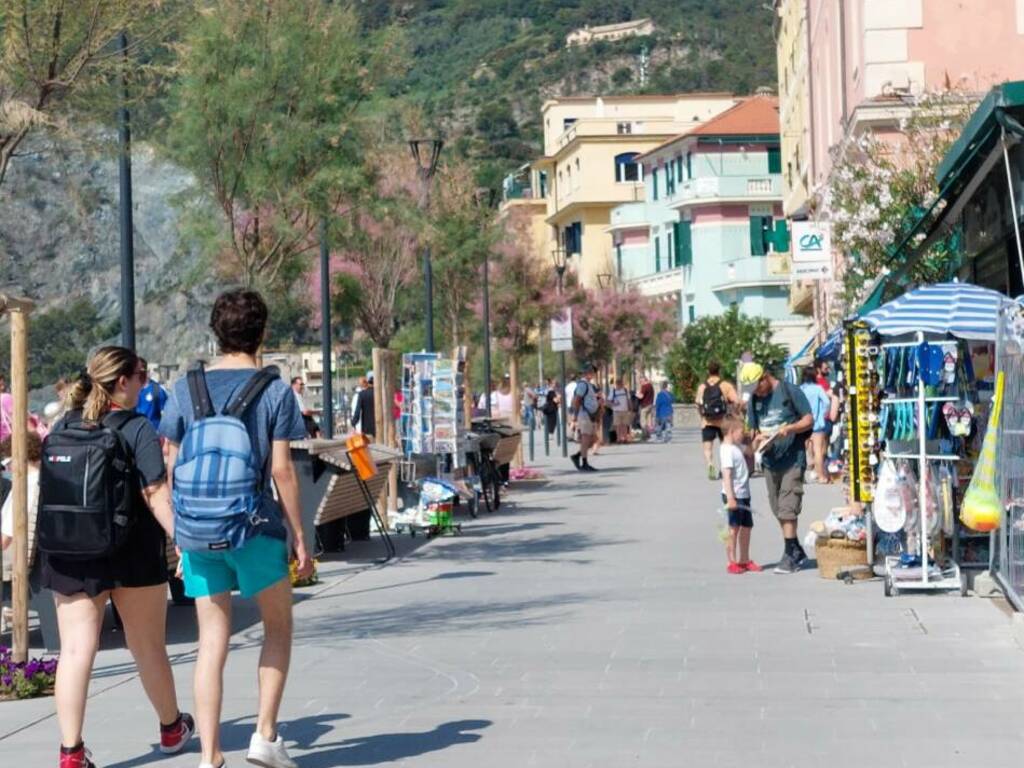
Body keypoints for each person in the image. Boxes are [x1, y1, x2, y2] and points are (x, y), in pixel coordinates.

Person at [160, 289, 312, 768]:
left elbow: (171, 460)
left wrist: (182, 529)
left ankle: (208, 755)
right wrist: (301, 536)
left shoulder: (186, 389)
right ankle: (264, 735)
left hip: (199, 532)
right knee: (278, 625)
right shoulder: (275, 390)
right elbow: (283, 471)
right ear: (262, 333)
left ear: (216, 332)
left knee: (212, 640)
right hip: (256, 528)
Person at [41, 347, 193, 768]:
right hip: (132, 552)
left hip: (71, 553)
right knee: (147, 646)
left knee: (75, 651)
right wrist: (182, 539)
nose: (144, 384)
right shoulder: (136, 427)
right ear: (122, 382)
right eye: (140, 376)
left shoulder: (64, 424)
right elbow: (155, 492)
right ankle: (171, 728)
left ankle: (71, 753)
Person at [741, 361, 813, 575]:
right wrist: (757, 440)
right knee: (777, 508)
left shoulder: (789, 391)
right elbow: (752, 432)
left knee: (788, 506)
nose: (756, 391)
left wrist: (789, 428)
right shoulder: (755, 400)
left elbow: (809, 419)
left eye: (757, 386)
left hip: (793, 458)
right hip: (770, 461)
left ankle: (789, 554)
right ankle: (796, 548)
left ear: (764, 377)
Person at [719, 417, 761, 574]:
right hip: (734, 495)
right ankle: (732, 561)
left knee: (746, 526)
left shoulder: (736, 446)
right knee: (733, 529)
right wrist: (730, 498)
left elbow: (750, 452)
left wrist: (756, 441)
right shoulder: (727, 450)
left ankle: (744, 559)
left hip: (744, 493)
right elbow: (727, 475)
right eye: (740, 432)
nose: (743, 434)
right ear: (731, 432)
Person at [695, 361, 740, 480]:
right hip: (723, 421)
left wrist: (702, 416)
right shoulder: (725, 385)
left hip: (707, 421)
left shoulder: (702, 386)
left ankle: (710, 465)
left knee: (707, 447)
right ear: (719, 371)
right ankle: (723, 468)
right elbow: (736, 401)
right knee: (724, 446)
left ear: (708, 372)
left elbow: (698, 404)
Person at [800, 366, 833, 483]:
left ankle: (800, 476)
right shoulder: (818, 388)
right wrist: (823, 413)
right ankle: (821, 476)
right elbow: (827, 402)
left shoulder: (800, 389)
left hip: (803, 423)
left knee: (801, 451)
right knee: (818, 450)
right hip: (817, 423)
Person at [570, 363, 600, 472]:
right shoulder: (583, 384)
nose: (593, 374)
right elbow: (577, 400)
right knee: (586, 438)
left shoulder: (588, 384)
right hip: (584, 414)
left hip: (589, 415)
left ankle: (578, 456)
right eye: (592, 371)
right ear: (587, 373)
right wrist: (575, 416)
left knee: (592, 440)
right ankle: (584, 462)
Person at [134, 358, 169, 432]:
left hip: (152, 434)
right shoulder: (131, 389)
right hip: (134, 433)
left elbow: (167, 415)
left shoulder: (158, 390)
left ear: (145, 371)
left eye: (139, 371)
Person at [351, 371, 376, 438]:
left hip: (367, 428)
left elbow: (357, 412)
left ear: (367, 381)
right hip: (381, 427)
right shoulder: (380, 394)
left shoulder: (362, 394)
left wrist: (353, 424)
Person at [610, 377, 632, 444]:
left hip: (625, 410)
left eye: (621, 384)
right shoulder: (613, 391)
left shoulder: (625, 390)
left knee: (625, 425)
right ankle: (619, 439)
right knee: (618, 426)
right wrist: (614, 404)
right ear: (616, 384)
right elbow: (608, 401)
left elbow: (629, 399)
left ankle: (625, 438)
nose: (620, 385)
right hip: (616, 411)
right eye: (618, 384)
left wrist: (631, 407)